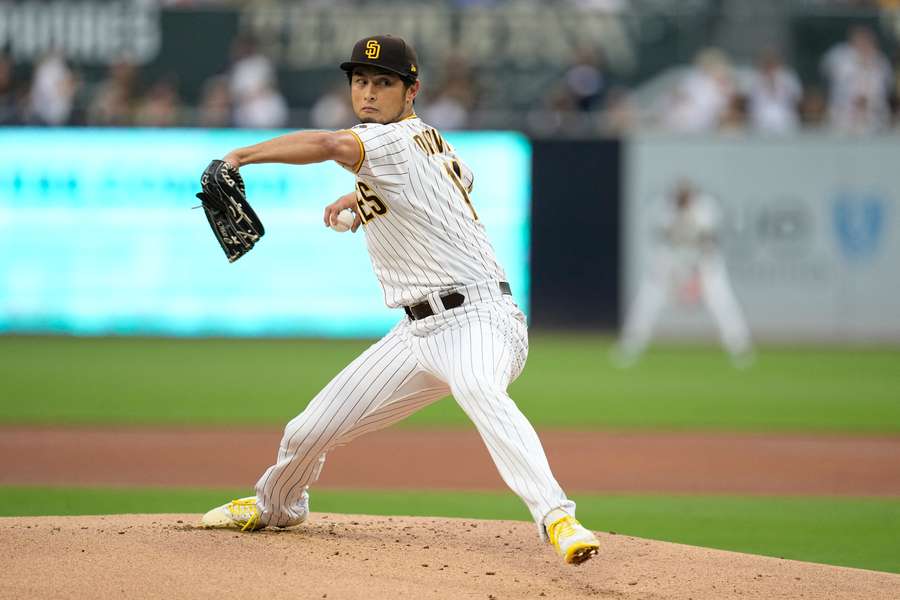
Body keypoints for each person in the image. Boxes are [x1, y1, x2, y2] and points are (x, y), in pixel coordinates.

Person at [199, 35, 599, 566]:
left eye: (383, 82)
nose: (367, 92)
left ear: (411, 90)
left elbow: (328, 145)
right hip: (416, 333)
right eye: (360, 81)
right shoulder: (431, 141)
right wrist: (366, 201)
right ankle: (278, 504)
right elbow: (452, 184)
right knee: (307, 429)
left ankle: (558, 518)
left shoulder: (382, 141)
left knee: (479, 387)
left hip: (480, 319)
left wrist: (240, 155)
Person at [615, 180, 753, 367]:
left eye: (685, 195)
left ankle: (740, 347)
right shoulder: (665, 208)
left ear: (693, 195)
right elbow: (665, 243)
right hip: (672, 260)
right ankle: (630, 346)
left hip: (703, 261)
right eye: (679, 196)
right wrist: (674, 278)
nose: (682, 199)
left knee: (722, 301)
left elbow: (709, 244)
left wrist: (697, 278)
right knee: (648, 300)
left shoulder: (706, 208)